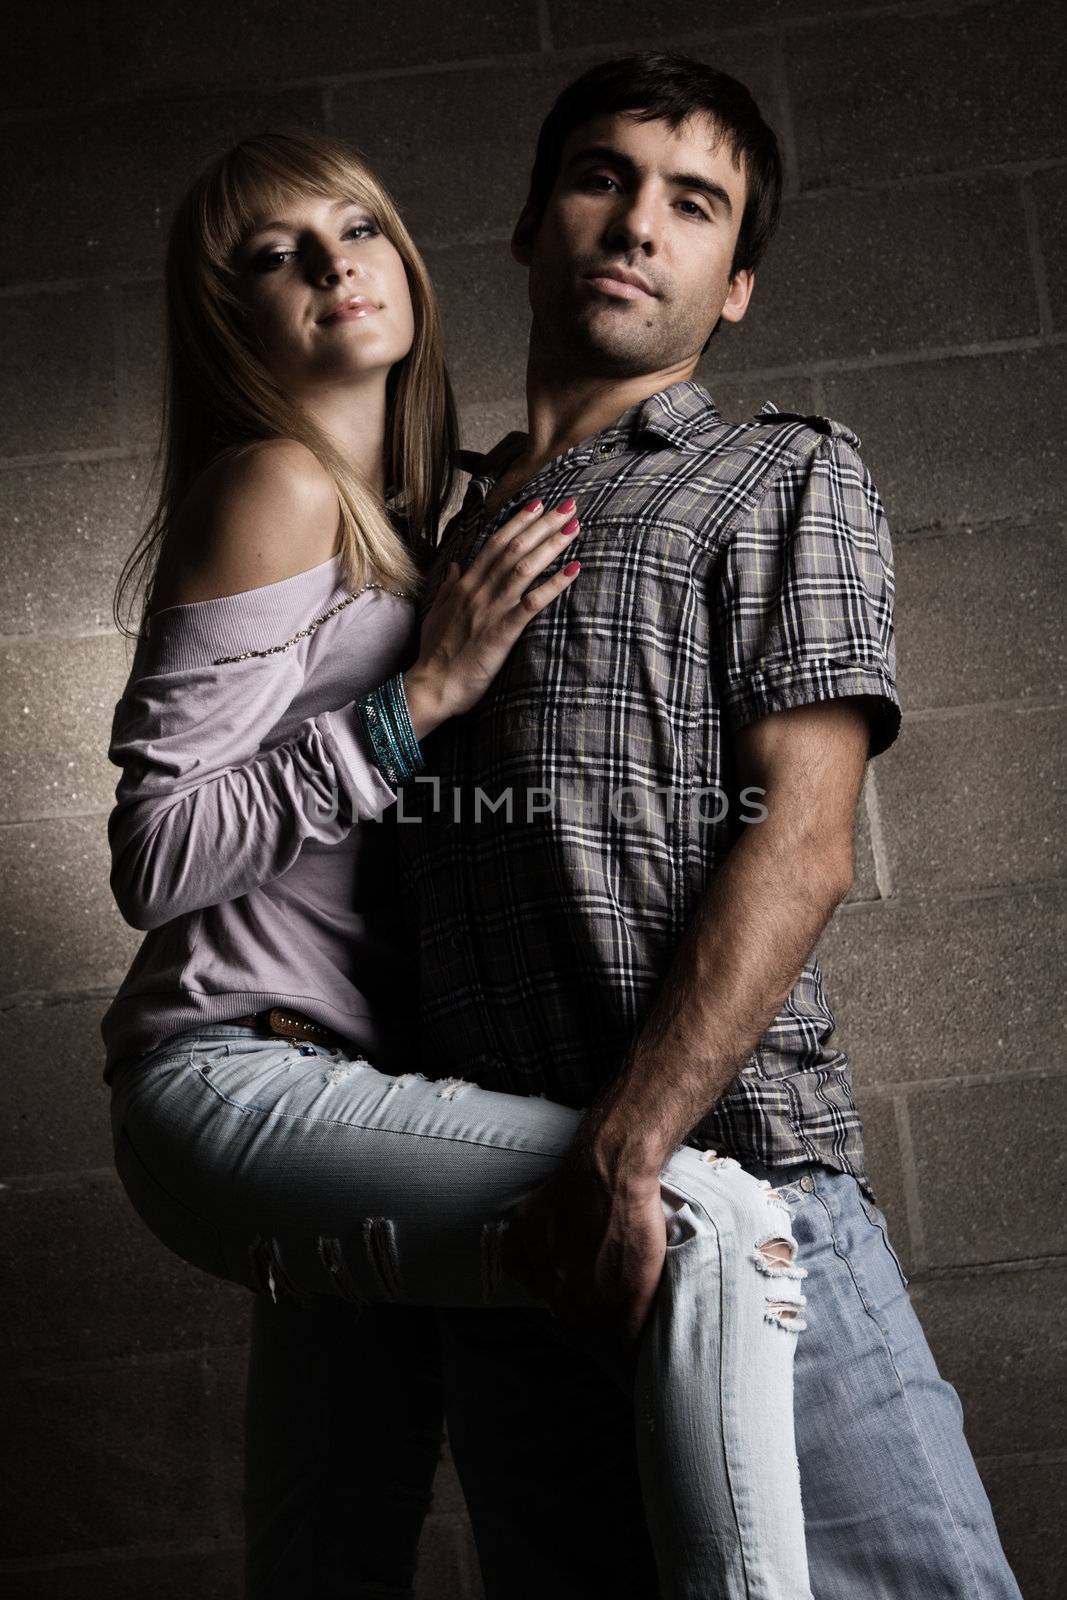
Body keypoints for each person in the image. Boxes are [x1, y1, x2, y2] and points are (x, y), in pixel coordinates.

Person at [101, 126, 813, 1600]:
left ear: (408, 260)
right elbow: (156, 857)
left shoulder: (410, 528)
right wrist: (419, 697)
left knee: (334, 1540)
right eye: (273, 254)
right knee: (711, 1218)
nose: (331, 263)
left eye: (354, 226)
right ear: (228, 316)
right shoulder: (275, 486)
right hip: (240, 1072)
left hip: (341, 1084)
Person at [389, 50, 1025, 1600]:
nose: (637, 226)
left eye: (694, 206)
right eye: (603, 178)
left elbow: (804, 843)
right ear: (532, 221)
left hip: (747, 1191)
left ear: (733, 284)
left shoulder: (773, 476)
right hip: (512, 1248)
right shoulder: (413, 542)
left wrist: (633, 1141)